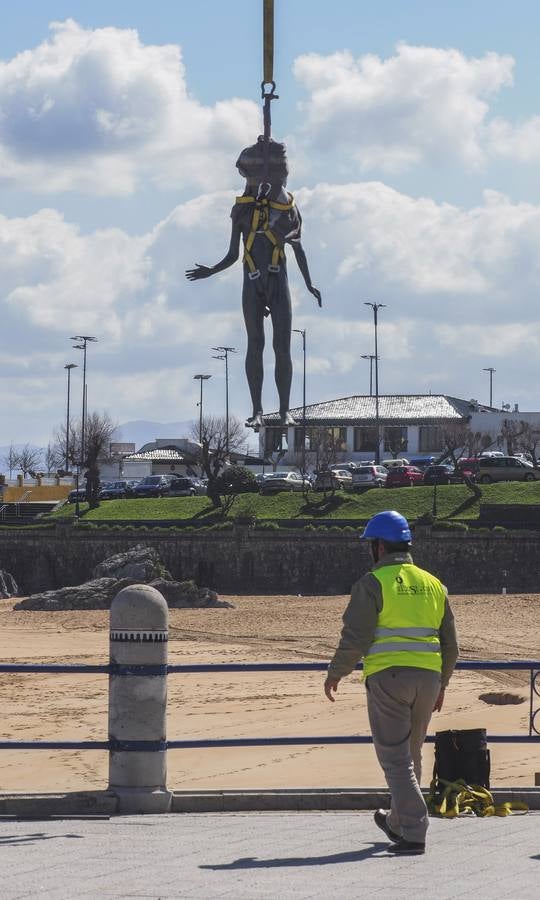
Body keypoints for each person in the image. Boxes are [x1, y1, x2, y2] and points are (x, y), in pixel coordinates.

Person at [324, 510, 459, 855]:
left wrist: (337, 671)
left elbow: (356, 636)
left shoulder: (372, 583)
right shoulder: (434, 584)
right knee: (411, 752)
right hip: (428, 679)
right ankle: (397, 820)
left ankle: (414, 827)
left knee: (395, 758)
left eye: (371, 545)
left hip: (388, 677)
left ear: (380, 547)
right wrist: (442, 684)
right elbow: (451, 645)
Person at [186, 137, 321, 430]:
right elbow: (234, 254)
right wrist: (211, 270)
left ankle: (285, 410)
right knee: (255, 344)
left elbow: (298, 247)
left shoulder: (287, 209)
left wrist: (309, 284)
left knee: (282, 346)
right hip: (252, 280)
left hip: (278, 279)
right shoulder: (242, 211)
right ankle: (257, 409)